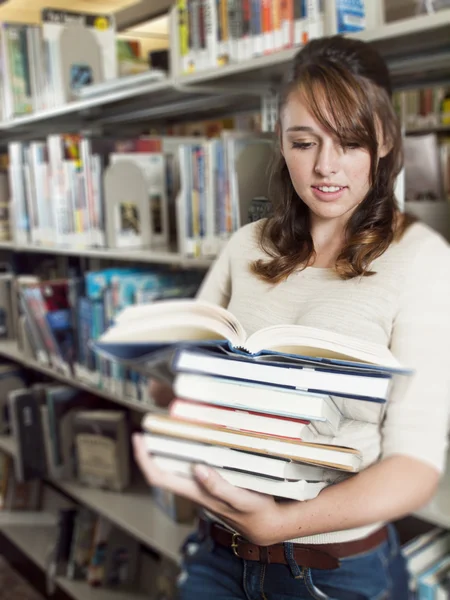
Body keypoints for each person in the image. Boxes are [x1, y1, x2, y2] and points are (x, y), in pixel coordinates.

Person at [132, 35, 450, 600]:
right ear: (281, 139)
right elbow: (182, 380)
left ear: (382, 141)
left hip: (333, 570)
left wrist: (279, 524)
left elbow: (414, 466)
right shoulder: (245, 245)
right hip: (217, 552)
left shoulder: (423, 259)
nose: (326, 167)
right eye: (304, 142)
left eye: (349, 141)